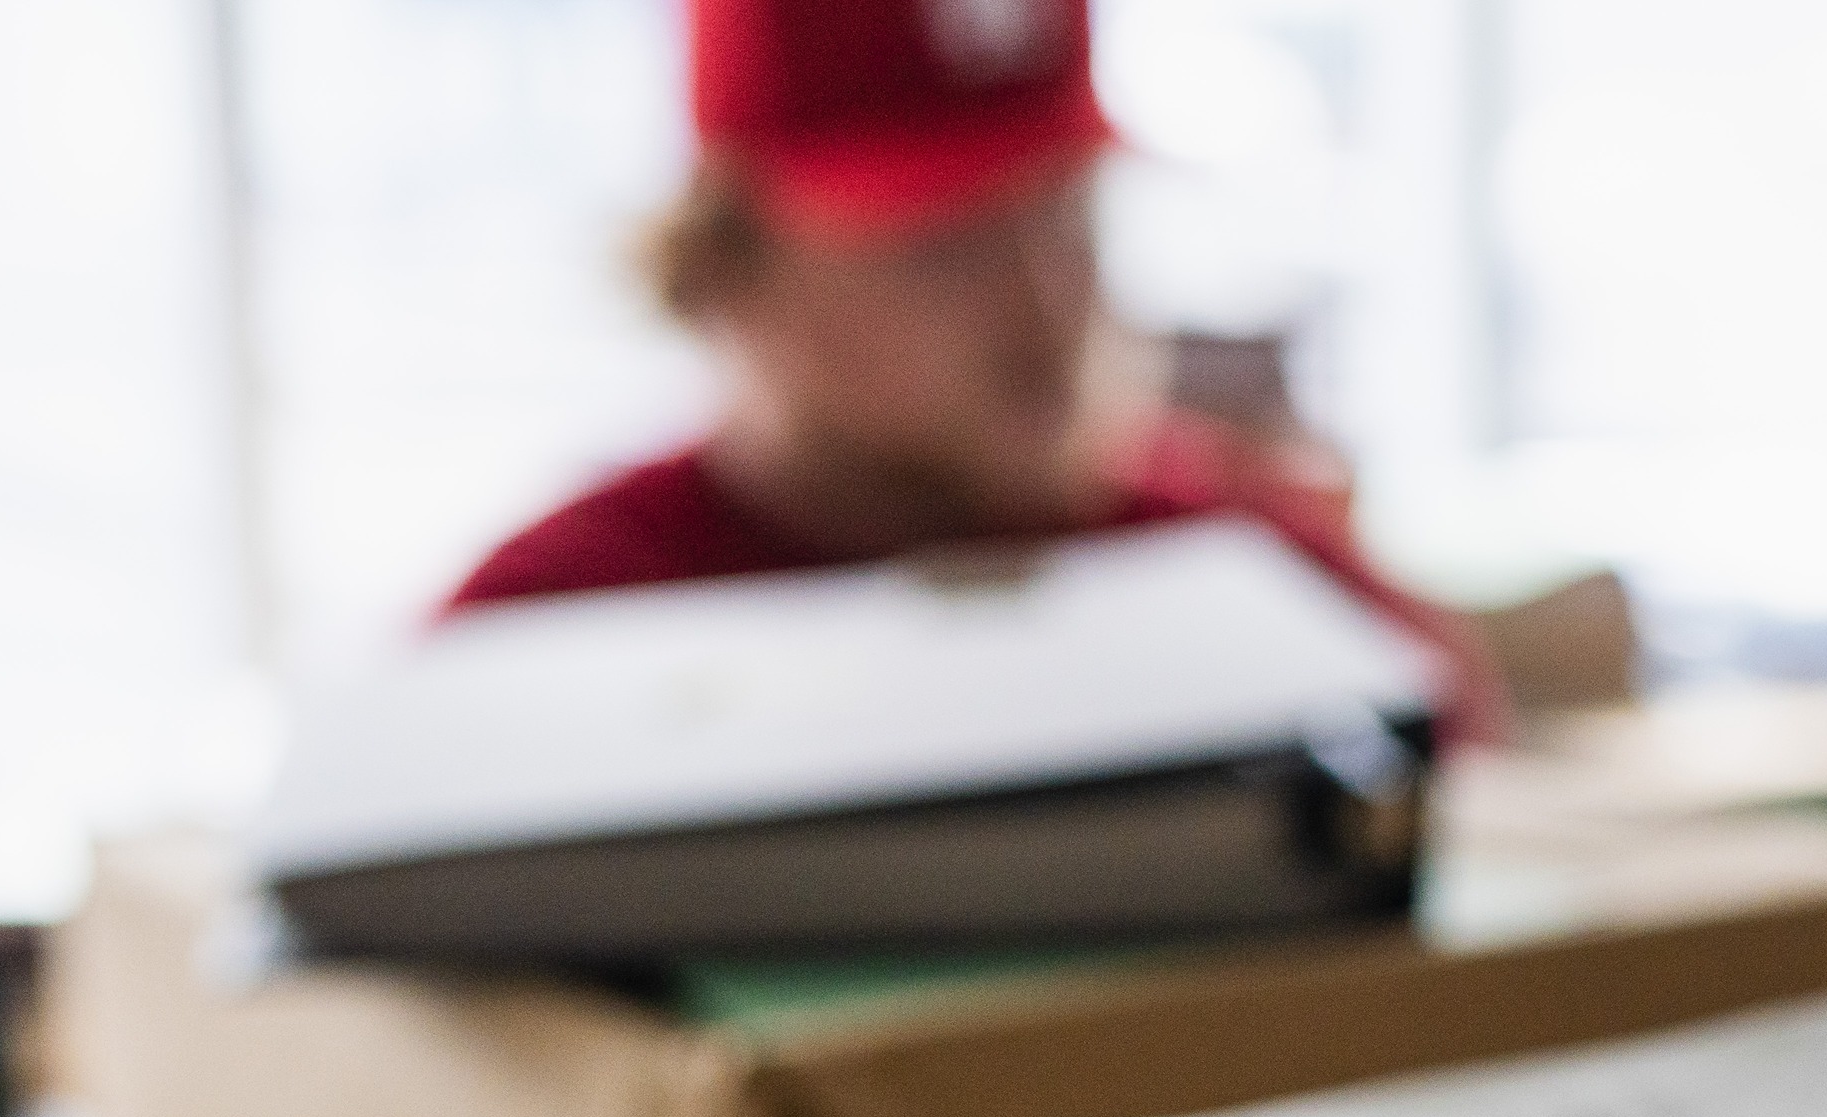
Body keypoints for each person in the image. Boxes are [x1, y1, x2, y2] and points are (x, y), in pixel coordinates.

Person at [448, 0, 1502, 742]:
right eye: (945, 247)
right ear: (727, 271)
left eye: (1071, 218)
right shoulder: (550, 631)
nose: (1045, 310)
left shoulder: (1265, 580)